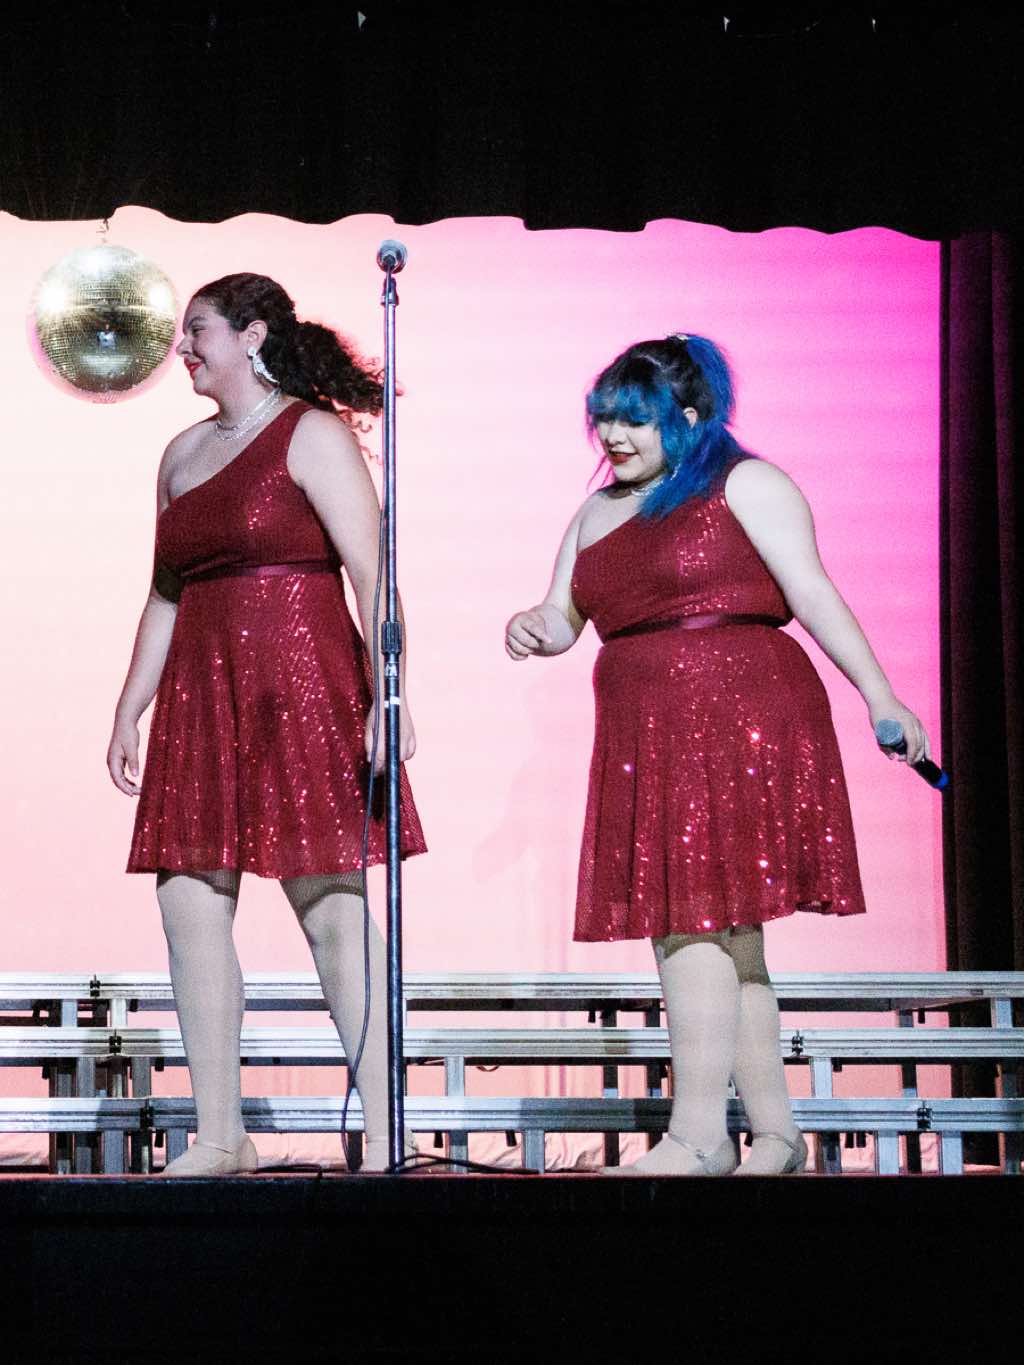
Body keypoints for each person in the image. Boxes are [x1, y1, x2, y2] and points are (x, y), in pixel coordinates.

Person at [504, 334, 929, 1175]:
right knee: (731, 940)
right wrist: (534, 626)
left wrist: (881, 695)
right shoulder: (595, 512)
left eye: (634, 419)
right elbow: (564, 615)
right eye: (604, 420)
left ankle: (699, 1135)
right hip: (648, 728)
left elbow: (813, 591)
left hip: (740, 715)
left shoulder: (747, 485)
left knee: (691, 921)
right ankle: (776, 1135)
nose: (613, 436)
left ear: (690, 417)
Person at [109, 273, 426, 1176]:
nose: (183, 348)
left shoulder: (310, 433)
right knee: (186, 901)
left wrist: (392, 694)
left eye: (197, 330)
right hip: (203, 692)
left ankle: (388, 1127)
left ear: (251, 336)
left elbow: (372, 573)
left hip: (302, 682)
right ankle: (222, 1133)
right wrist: (131, 705)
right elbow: (165, 593)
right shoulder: (179, 455)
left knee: (332, 911)